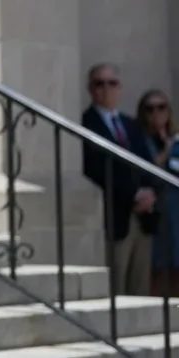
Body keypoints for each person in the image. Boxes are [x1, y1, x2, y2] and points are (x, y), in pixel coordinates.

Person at [80, 63, 157, 296]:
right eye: (99, 83)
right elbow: (95, 170)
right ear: (90, 89)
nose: (106, 89)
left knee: (140, 285)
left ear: (120, 87)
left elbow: (148, 164)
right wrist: (132, 195)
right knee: (117, 286)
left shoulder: (130, 124)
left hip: (142, 217)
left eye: (112, 83)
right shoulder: (86, 124)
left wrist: (151, 193)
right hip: (115, 215)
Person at [136, 89, 179, 296]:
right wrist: (165, 151)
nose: (156, 113)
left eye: (161, 107)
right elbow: (146, 172)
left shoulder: (175, 139)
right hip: (155, 212)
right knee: (156, 267)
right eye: (150, 108)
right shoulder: (140, 140)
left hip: (176, 209)